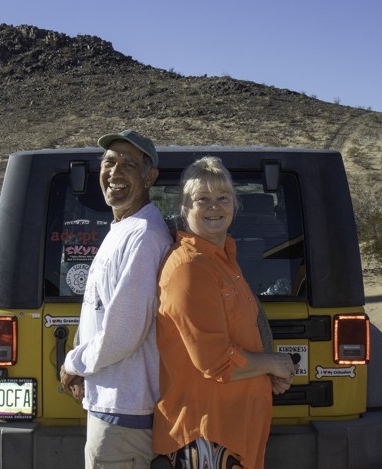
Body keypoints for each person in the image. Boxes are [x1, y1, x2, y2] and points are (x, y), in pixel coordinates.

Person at [153, 157, 297, 469]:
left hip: (233, 432)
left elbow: (244, 337)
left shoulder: (223, 260)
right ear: (183, 206)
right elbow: (216, 361)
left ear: (234, 204)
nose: (214, 207)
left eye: (223, 197)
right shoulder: (189, 267)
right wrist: (272, 363)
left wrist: (265, 371)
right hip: (207, 435)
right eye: (202, 199)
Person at [60, 130, 173, 469]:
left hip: (124, 410)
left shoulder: (144, 236)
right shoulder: (125, 228)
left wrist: (73, 364)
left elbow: (124, 332)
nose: (115, 172)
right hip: (114, 404)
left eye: (129, 165)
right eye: (109, 162)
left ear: (150, 177)